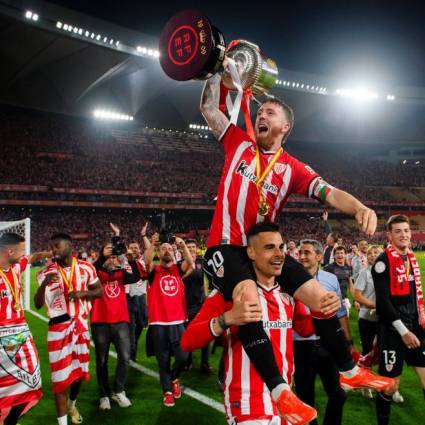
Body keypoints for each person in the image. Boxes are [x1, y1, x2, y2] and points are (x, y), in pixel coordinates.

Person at [200, 65, 392, 422]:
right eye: (259, 111)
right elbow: (209, 108)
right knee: (248, 297)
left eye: (270, 112)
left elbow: (330, 192)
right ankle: (279, 390)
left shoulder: (292, 168)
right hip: (226, 246)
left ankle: (349, 371)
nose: (261, 114)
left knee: (323, 298)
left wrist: (360, 206)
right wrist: (214, 71)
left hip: (268, 247)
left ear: (285, 127)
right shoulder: (238, 143)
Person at [182, 222, 315, 425]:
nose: (279, 254)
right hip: (246, 402)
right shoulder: (228, 294)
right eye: (270, 247)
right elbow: (187, 341)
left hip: (285, 399)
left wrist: (319, 307)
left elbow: (305, 330)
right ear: (251, 252)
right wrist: (226, 319)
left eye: (281, 247)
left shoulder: (288, 293)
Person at [34, 233, 102, 425]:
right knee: (60, 379)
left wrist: (84, 293)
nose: (53, 250)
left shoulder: (86, 267)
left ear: (69, 246)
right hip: (58, 329)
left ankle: (72, 405)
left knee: (78, 374)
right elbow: (37, 304)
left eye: (57, 246)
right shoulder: (45, 273)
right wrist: (44, 285)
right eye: (52, 246)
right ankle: (62, 422)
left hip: (80, 327)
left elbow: (100, 291)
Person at [372, 215, 425, 425]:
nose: (403, 235)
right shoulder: (382, 262)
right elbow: (383, 304)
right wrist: (403, 331)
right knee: (390, 387)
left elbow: (415, 295)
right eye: (398, 231)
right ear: (389, 235)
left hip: (416, 328)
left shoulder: (411, 258)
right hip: (394, 333)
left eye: (406, 231)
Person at [295, 239, 349, 425]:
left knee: (338, 394)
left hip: (327, 344)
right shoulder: (289, 279)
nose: (302, 256)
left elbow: (340, 312)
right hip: (300, 345)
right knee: (305, 398)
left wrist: (347, 340)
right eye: (300, 252)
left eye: (307, 252)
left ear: (319, 256)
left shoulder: (331, 279)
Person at [91, 228, 144, 411]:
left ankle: (118, 390)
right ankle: (103, 395)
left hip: (121, 321)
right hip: (100, 322)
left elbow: (136, 276)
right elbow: (92, 269)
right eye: (109, 257)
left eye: (114, 257)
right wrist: (100, 256)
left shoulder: (122, 274)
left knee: (125, 357)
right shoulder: (96, 272)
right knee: (102, 360)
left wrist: (130, 258)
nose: (112, 260)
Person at [0, 232, 49, 425]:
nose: (24, 255)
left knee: (32, 382)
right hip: (1, 336)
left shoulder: (15, 267)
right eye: (21, 251)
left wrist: (48, 254)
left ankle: (10, 420)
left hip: (19, 335)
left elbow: (31, 257)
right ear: (10, 251)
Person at [144, 234, 194, 407]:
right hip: (159, 323)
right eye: (163, 248)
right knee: (163, 360)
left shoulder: (178, 269)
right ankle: (167, 391)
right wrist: (152, 244)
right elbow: (146, 261)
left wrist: (182, 246)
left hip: (178, 322)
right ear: (159, 251)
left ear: (174, 252)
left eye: (169, 248)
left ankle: (174, 378)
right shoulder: (153, 271)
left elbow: (191, 263)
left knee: (183, 357)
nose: (167, 250)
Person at [181, 238, 212, 373]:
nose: (192, 249)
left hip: (201, 304)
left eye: (193, 247)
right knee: (187, 334)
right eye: (189, 247)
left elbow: (207, 279)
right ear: (184, 250)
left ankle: (204, 363)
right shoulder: (180, 265)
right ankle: (188, 362)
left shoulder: (201, 262)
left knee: (206, 333)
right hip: (186, 305)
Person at [125, 222, 150, 361]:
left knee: (141, 325)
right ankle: (131, 353)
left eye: (136, 247)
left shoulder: (142, 261)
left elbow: (149, 248)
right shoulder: (124, 262)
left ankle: (131, 347)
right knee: (131, 326)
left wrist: (143, 235)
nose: (134, 249)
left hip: (141, 298)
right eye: (131, 247)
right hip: (128, 299)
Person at [324, 246, 354, 316]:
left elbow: (350, 284)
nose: (340, 255)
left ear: (345, 255)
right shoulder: (329, 268)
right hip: (333, 300)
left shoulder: (348, 267)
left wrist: (355, 299)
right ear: (334, 256)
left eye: (341, 253)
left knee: (344, 322)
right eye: (337, 253)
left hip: (344, 299)